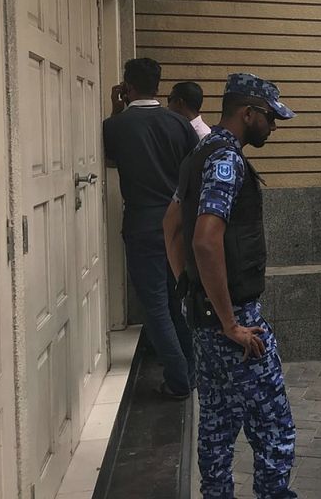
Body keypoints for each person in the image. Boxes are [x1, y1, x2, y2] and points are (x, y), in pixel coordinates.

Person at [163, 73, 297, 498]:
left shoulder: (197, 154)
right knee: (274, 429)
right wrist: (229, 323)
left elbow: (170, 226)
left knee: (217, 425)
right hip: (237, 325)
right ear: (248, 113)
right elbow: (205, 240)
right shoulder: (228, 161)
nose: (273, 127)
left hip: (206, 321)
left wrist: (189, 287)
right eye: (270, 118)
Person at [103, 57, 198, 399]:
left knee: (156, 306)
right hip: (178, 225)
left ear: (126, 87)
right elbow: (194, 168)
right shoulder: (179, 123)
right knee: (176, 302)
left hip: (142, 225)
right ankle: (190, 370)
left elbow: (110, 160)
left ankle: (178, 380)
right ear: (158, 86)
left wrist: (116, 111)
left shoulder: (116, 126)